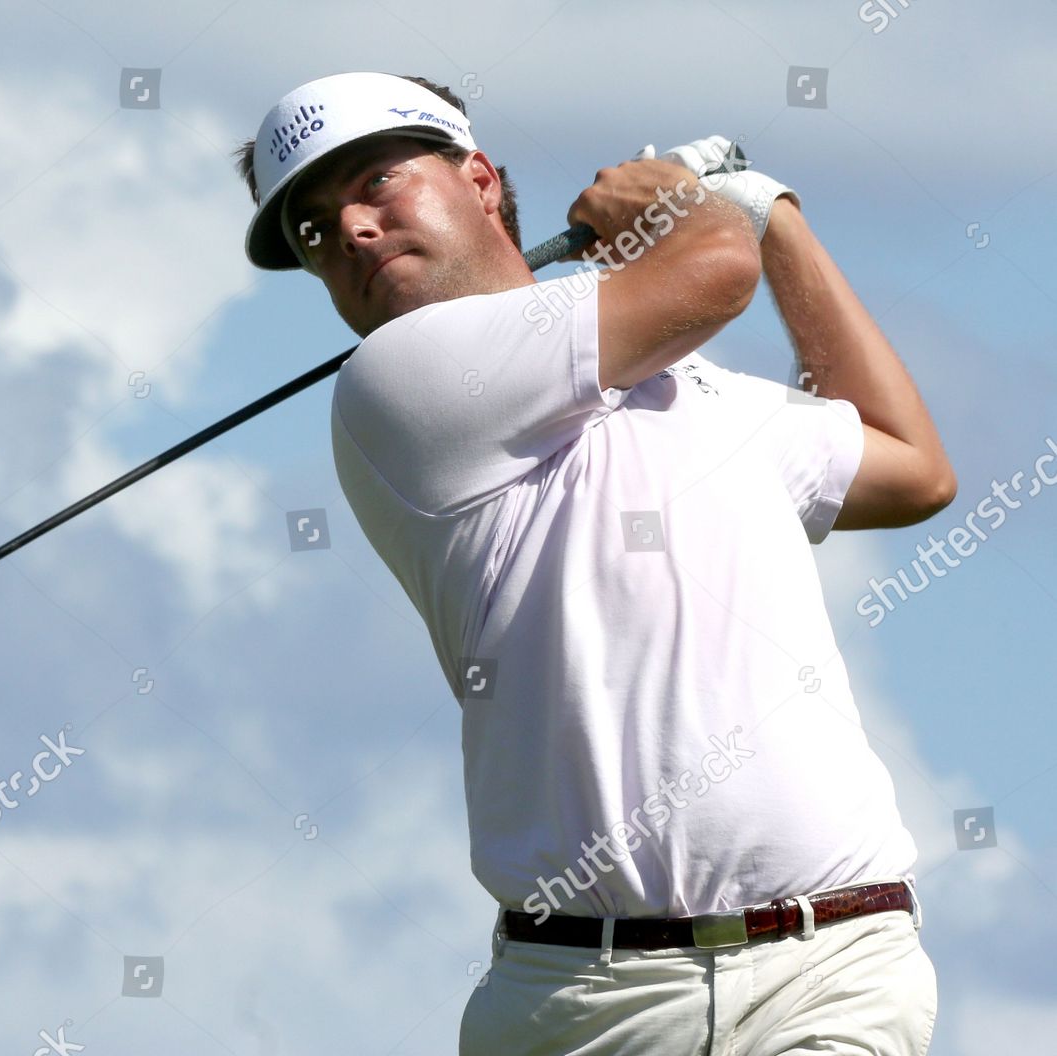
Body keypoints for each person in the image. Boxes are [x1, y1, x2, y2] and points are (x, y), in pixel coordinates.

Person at [234, 71, 955, 1055]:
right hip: (583, 1004)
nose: (351, 230)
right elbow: (711, 275)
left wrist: (774, 214)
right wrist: (691, 205)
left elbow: (912, 468)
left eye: (374, 183)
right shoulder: (401, 382)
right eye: (315, 229)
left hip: (831, 971)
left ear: (480, 181)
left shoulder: (694, 388)